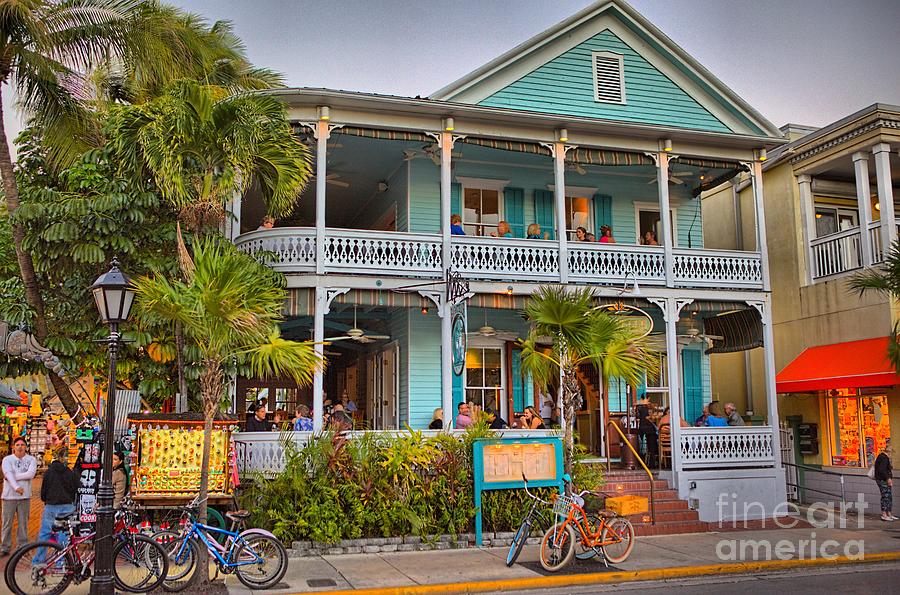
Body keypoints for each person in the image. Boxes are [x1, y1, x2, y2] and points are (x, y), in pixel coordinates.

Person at [33, 446, 77, 563]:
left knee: (45, 534)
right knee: (62, 536)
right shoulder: (70, 473)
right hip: (67, 505)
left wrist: (46, 500)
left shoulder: (48, 473)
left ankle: (38, 560)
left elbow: (43, 491)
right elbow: (74, 489)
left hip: (51, 505)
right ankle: (61, 561)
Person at [1, 436, 37, 556]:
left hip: (24, 497)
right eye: (17, 445)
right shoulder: (7, 460)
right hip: (8, 497)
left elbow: (31, 474)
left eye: (22, 445)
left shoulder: (31, 459)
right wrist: (16, 487)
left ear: (26, 447)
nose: (20, 447)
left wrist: (12, 476)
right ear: (13, 447)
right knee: (7, 523)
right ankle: (5, 547)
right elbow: (7, 472)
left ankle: (22, 546)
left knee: (23, 523)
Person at [874, 441, 895, 521]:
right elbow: (882, 470)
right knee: (885, 496)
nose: (892, 454)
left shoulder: (882, 457)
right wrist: (888, 478)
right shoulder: (884, 458)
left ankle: (889, 514)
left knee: (888, 496)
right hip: (883, 480)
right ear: (889, 451)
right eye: (892, 452)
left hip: (883, 479)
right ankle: (884, 514)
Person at [635, 400, 658, 466]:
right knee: (651, 440)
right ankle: (652, 461)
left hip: (656, 436)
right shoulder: (648, 420)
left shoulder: (649, 419)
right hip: (654, 436)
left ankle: (652, 460)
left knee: (651, 441)